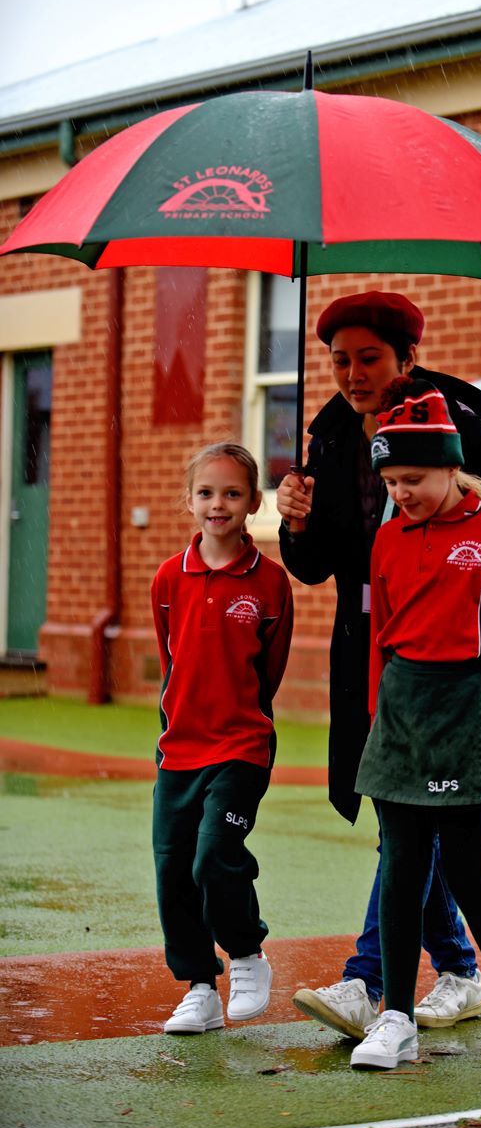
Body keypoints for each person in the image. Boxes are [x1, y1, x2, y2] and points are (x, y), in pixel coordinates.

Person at [277, 291, 481, 1039]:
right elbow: (315, 563)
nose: (352, 373)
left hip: (457, 662)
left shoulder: (459, 425)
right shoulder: (327, 438)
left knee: (412, 828)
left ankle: (371, 979)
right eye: (339, 360)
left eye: (368, 358)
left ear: (405, 359)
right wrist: (296, 522)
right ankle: (458, 968)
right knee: (403, 815)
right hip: (372, 652)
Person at [349, 377, 481, 1070]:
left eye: (413, 478)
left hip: (470, 705)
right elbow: (381, 638)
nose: (400, 492)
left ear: (450, 465)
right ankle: (396, 1017)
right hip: (401, 713)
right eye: (391, 480)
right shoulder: (386, 540)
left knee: (466, 868)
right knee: (402, 868)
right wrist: (380, 721)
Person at [151, 441, 293, 1034]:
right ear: (189, 500)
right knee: (173, 870)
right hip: (179, 751)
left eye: (232, 493)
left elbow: (271, 670)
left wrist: (240, 718)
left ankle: (246, 951)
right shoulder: (167, 579)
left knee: (215, 857)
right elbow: (170, 657)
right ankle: (200, 988)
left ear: (253, 503)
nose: (218, 504)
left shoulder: (270, 583)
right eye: (207, 493)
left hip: (241, 746)